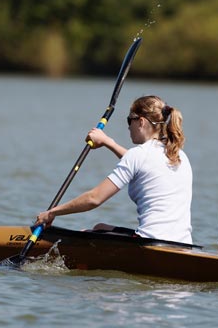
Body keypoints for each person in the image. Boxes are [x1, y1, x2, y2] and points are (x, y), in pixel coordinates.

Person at [35, 95, 193, 244]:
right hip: (183, 244)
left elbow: (94, 199)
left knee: (84, 234)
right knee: (99, 228)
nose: (128, 127)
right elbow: (142, 165)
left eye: (129, 120)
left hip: (150, 242)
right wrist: (107, 142)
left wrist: (52, 213)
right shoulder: (179, 155)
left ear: (142, 122)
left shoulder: (138, 155)